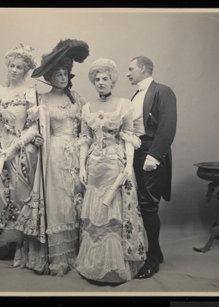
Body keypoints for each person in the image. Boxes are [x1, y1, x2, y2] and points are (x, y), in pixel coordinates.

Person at [76, 58, 146, 284]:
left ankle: (115, 268)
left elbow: (128, 136)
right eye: (97, 79)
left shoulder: (124, 104)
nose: (101, 82)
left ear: (112, 81)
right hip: (94, 165)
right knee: (95, 213)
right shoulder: (87, 107)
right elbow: (85, 138)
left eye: (105, 78)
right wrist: (81, 166)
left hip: (115, 164)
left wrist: (128, 165)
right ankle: (93, 265)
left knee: (114, 212)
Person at [29, 39, 89, 276]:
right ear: (50, 77)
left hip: (76, 153)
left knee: (76, 199)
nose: (62, 77)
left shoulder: (77, 98)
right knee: (60, 201)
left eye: (65, 74)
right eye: (58, 74)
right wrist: (37, 139)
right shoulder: (41, 100)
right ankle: (58, 257)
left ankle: (79, 252)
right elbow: (32, 128)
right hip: (54, 154)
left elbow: (87, 127)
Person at [0, 45, 44, 268]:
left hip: (20, 153)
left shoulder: (29, 92)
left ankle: (21, 247)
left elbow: (34, 128)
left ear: (26, 70)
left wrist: (15, 146)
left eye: (19, 67)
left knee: (19, 197)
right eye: (11, 66)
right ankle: (6, 243)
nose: (14, 70)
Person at [126, 56, 177, 279]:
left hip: (150, 152)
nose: (127, 73)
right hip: (136, 151)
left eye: (131, 69)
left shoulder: (163, 91)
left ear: (144, 69)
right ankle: (154, 251)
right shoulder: (136, 94)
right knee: (139, 202)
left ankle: (153, 257)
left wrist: (153, 156)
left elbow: (167, 127)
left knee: (148, 204)